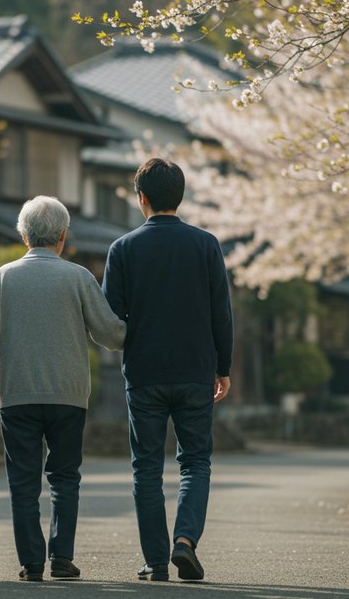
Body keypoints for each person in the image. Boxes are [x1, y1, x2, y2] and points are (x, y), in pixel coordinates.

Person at [102, 158, 233, 582]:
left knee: (146, 468)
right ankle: (185, 542)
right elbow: (221, 313)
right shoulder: (206, 244)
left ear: (141, 198)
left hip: (144, 372)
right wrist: (223, 367)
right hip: (196, 369)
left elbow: (111, 317)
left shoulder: (123, 249)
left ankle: (156, 561)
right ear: (180, 196)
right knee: (195, 461)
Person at [0, 196, 126, 583]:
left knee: (23, 480)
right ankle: (61, 557)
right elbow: (109, 334)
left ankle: (31, 562)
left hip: (16, 392)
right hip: (68, 392)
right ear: (63, 236)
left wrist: (7, 348)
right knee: (65, 476)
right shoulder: (78, 277)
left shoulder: (3, 277)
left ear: (23, 235)